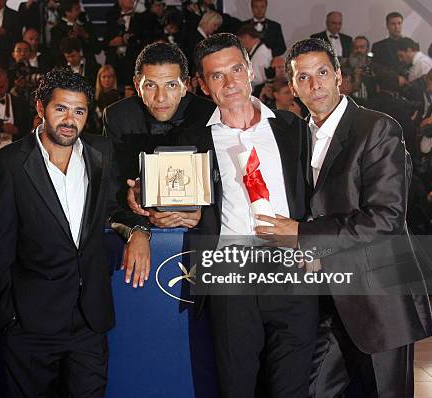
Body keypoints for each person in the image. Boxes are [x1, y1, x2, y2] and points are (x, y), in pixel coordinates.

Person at [129, 33, 316, 397]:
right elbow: (170, 199)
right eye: (217, 75)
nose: (230, 83)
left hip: (294, 278)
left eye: (236, 70)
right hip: (231, 280)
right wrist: (146, 205)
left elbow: (318, 198)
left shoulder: (293, 129)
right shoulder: (190, 140)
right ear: (201, 84)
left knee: (292, 388)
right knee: (237, 387)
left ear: (250, 71)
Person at [259, 38, 432, 397]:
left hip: (379, 298)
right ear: (291, 87)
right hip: (324, 302)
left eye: (322, 72)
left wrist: (304, 236)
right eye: (303, 77)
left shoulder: (377, 129)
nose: (315, 84)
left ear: (339, 76)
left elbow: (386, 218)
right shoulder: (296, 137)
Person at [0, 67, 150, 397]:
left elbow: (114, 209)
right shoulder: (11, 162)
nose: (69, 120)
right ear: (40, 107)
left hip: (89, 319)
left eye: (79, 111)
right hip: (31, 324)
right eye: (60, 109)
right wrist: (9, 316)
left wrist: (139, 231)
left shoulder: (101, 152)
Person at [103, 42, 215, 229]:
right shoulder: (118, 117)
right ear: (137, 86)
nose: (160, 97)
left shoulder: (209, 115)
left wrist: (203, 213)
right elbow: (111, 186)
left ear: (185, 85)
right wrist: (138, 205)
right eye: (150, 85)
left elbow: (227, 187)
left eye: (171, 85)